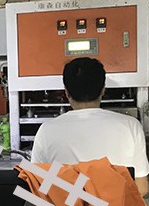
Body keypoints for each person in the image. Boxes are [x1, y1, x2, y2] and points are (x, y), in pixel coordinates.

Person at [31, 57, 149, 197]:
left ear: (66, 92)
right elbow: (142, 188)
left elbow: (37, 187)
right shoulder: (131, 126)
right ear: (103, 90)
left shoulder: (46, 131)